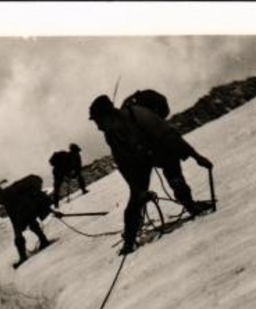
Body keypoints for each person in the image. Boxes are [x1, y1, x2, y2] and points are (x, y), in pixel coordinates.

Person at [88, 93, 213, 254]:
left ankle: (190, 205)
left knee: (174, 176)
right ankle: (130, 240)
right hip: (139, 160)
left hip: (161, 151)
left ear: (109, 115)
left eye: (98, 121)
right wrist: (139, 190)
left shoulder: (140, 115)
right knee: (135, 199)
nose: (98, 127)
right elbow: (123, 163)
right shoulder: (110, 134)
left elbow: (169, 135)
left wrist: (196, 157)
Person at [0, 175, 55, 266]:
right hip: (29, 208)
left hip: (25, 210)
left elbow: (15, 214)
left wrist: (18, 229)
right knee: (32, 225)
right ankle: (43, 241)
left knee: (21, 232)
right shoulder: (9, 193)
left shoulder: (5, 197)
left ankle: (23, 257)